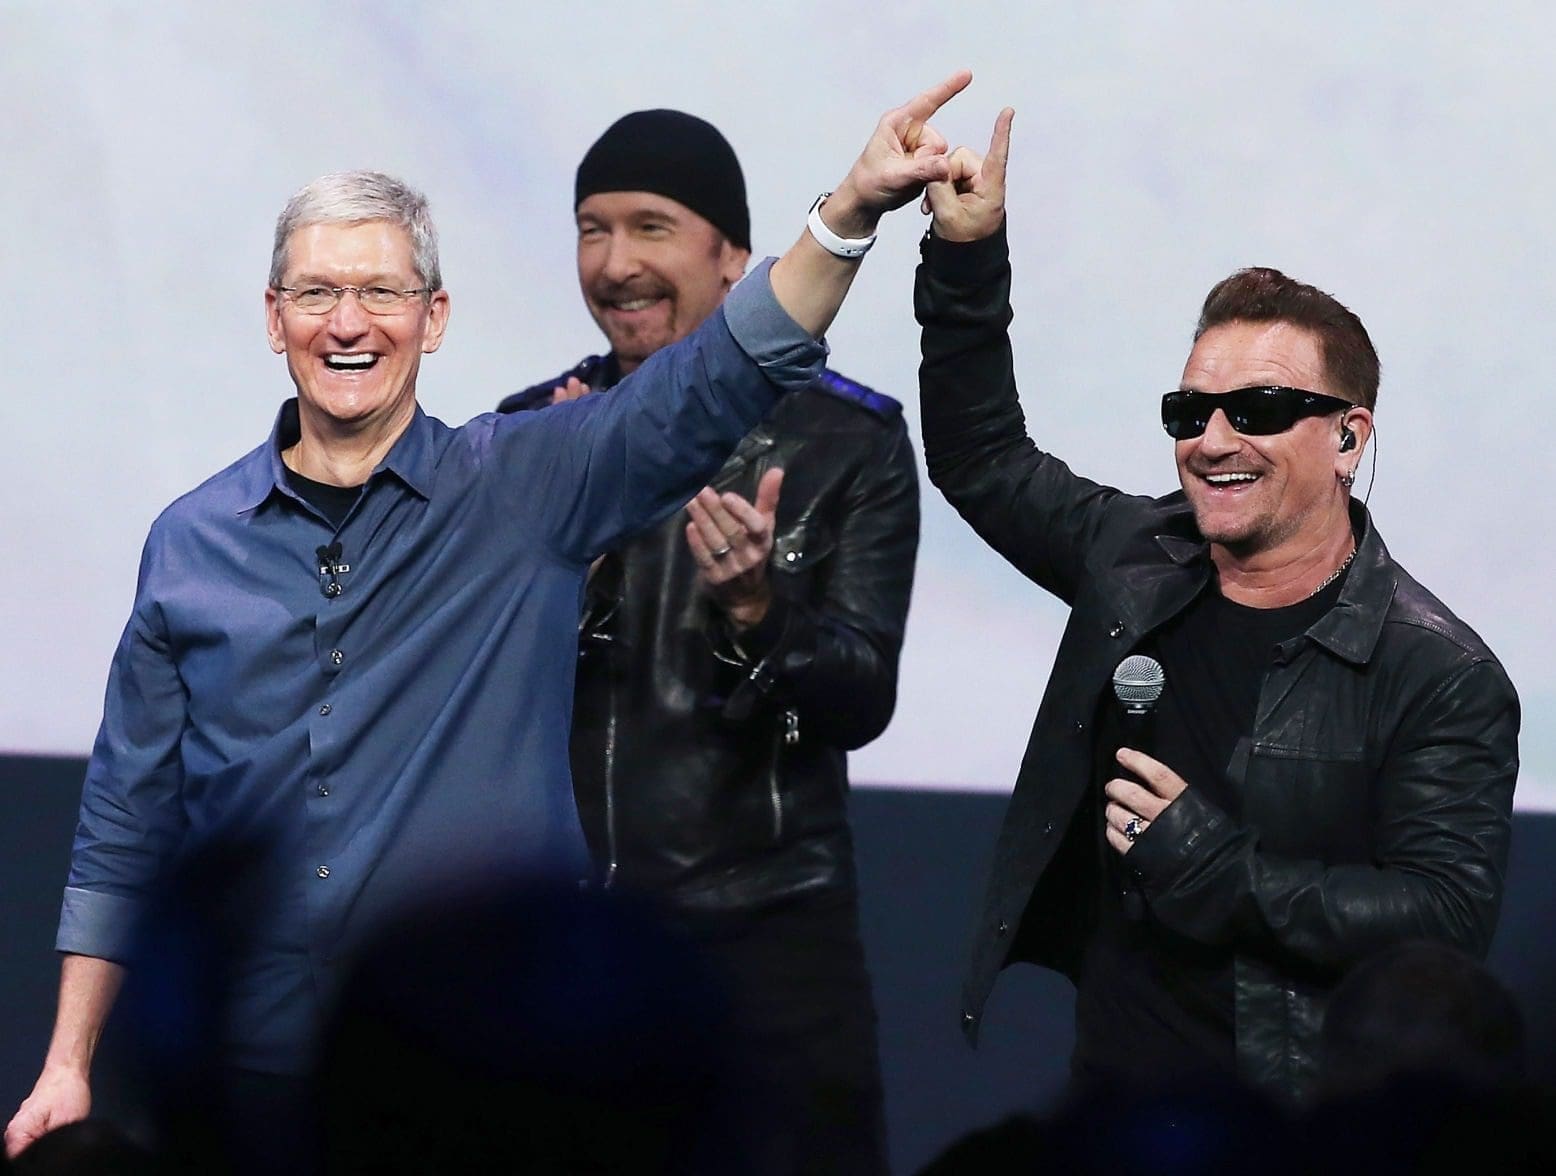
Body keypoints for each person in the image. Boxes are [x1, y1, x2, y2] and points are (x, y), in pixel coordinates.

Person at [5, 70, 977, 1165]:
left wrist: (848, 211)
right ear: (274, 320)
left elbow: (724, 373)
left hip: (464, 1074)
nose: (348, 323)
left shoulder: (524, 485)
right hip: (258, 1075)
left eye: (381, 292)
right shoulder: (188, 541)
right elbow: (126, 822)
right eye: (317, 293)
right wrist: (69, 1061)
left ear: (435, 317)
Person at [914, 111, 1519, 1105]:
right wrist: (966, 256)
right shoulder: (1132, 558)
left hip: (1298, 1120)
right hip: (1113, 1102)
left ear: (1348, 436)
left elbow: (1445, 917)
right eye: (1189, 411)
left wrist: (1215, 866)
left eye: (1261, 410)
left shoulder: (1437, 670)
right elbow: (980, 455)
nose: (1212, 440)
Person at [495, 110, 918, 1174]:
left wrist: (757, 612)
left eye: (650, 227)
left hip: (765, 945)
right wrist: (563, 574)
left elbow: (859, 697)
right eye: (592, 230)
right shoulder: (532, 431)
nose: (615, 264)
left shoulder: (847, 440)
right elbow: (482, 696)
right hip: (576, 945)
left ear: (734, 256)